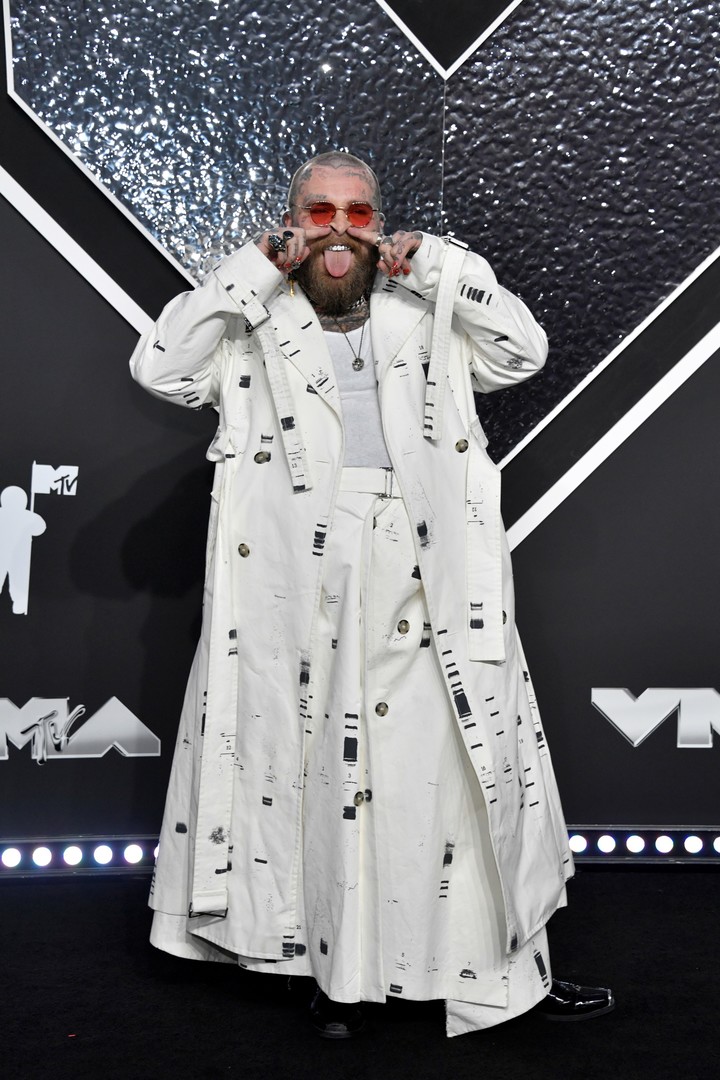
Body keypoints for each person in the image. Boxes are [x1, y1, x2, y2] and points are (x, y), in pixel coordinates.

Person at [130, 151, 613, 1038]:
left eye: (358, 212)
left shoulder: (424, 312)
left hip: (427, 571)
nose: (339, 229)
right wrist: (251, 269)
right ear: (292, 222)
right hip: (294, 579)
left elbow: (525, 349)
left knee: (449, 775)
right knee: (315, 773)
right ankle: (325, 966)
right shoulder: (250, 320)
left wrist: (435, 263)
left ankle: (497, 979)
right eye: (319, 212)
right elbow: (158, 366)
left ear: (379, 223)